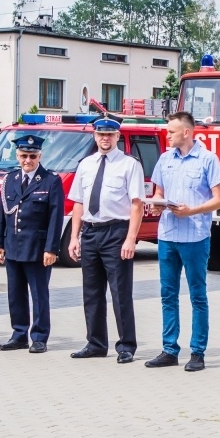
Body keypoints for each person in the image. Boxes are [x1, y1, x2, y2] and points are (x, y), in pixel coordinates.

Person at [144, 112, 220, 372]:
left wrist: (192, 210)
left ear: (187, 133)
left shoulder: (208, 159)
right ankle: (169, 349)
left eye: (171, 132)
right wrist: (157, 206)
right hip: (167, 236)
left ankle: (197, 352)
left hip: (195, 237)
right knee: (168, 295)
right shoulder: (165, 159)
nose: (167, 136)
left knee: (197, 296)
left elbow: (219, 200)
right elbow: (158, 192)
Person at [68, 118, 145, 364]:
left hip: (116, 232)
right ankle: (96, 343)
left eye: (110, 134)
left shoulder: (129, 165)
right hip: (90, 232)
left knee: (120, 292)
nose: (105, 138)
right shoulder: (86, 165)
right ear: (94, 136)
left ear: (117, 136)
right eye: (101, 134)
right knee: (91, 292)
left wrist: (131, 239)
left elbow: (137, 205)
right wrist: (74, 237)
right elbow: (78, 203)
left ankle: (126, 346)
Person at [0, 134, 64, 354]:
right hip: (13, 245)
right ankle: (19, 334)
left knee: (39, 294)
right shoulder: (10, 179)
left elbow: (56, 217)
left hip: (37, 248)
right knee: (15, 294)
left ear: (39, 156)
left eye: (32, 156)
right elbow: (2, 215)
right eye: (23, 156)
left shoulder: (51, 181)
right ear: (17, 155)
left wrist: (51, 248)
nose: (27, 161)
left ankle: (40, 336)